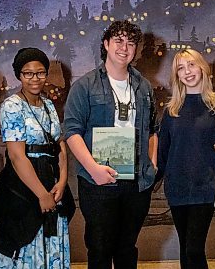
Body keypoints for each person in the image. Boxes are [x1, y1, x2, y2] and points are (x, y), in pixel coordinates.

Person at [64, 20, 158, 269]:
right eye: (118, 41)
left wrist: (152, 163)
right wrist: (94, 169)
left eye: (130, 43)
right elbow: (72, 132)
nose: (124, 48)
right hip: (98, 182)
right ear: (106, 44)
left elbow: (152, 130)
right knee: (100, 247)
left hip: (136, 182)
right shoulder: (84, 86)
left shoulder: (144, 87)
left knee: (127, 248)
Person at [0, 48, 72, 268]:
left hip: (53, 182)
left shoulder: (49, 105)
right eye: (28, 73)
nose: (35, 78)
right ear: (19, 75)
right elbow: (17, 157)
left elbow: (60, 145)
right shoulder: (12, 106)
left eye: (40, 72)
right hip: (23, 187)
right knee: (25, 240)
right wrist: (42, 195)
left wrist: (62, 181)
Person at [156, 49, 215, 269]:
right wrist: (148, 181)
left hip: (205, 186)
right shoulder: (171, 110)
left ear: (202, 68)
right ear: (176, 75)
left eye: (191, 65)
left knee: (194, 249)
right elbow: (163, 151)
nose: (187, 71)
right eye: (180, 68)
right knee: (186, 248)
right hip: (177, 187)